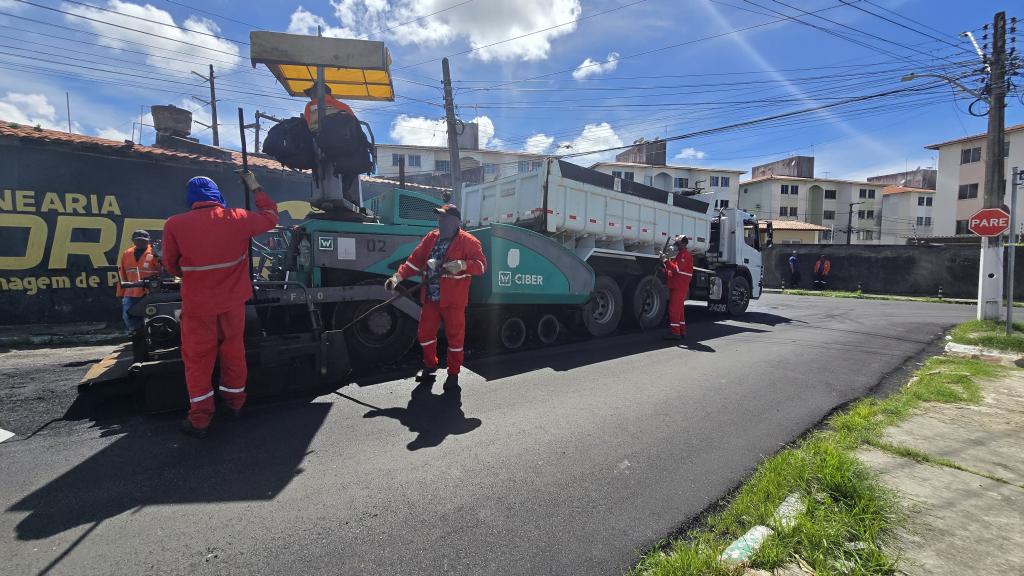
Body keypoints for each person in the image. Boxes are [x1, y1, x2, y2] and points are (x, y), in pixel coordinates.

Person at [162, 173, 279, 439]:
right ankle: (235, 405)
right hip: (232, 303)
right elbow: (271, 216)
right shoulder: (237, 218)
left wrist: (191, 273)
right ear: (217, 195)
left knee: (198, 359)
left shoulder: (175, 224)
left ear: (190, 198)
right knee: (233, 352)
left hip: (198, 305)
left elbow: (171, 264)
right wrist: (255, 187)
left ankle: (200, 419)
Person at [386, 204, 487, 390]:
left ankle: (453, 373)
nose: (440, 222)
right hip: (431, 298)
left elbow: (481, 266)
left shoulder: (469, 241)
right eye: (439, 218)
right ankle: (430, 365)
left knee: (455, 338)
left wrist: (463, 265)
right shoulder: (431, 238)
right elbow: (414, 262)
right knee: (425, 334)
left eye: (444, 218)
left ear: (455, 222)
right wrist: (397, 278)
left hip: (454, 300)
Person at [116, 229, 160, 334]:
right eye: (138, 240)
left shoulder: (155, 252)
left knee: (154, 316)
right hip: (131, 293)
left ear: (148, 240)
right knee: (128, 316)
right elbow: (122, 274)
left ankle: (154, 336)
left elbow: (163, 270)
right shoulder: (127, 253)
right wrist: (120, 293)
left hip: (151, 292)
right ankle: (136, 335)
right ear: (133, 240)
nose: (140, 242)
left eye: (143, 240)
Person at [662, 235, 694, 340]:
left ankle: (675, 333)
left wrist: (665, 260)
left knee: (674, 309)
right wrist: (664, 270)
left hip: (679, 286)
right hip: (677, 284)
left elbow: (677, 269)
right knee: (679, 310)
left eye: (677, 243)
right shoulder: (680, 255)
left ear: (683, 244)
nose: (675, 245)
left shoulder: (685, 255)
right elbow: (673, 271)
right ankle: (682, 330)